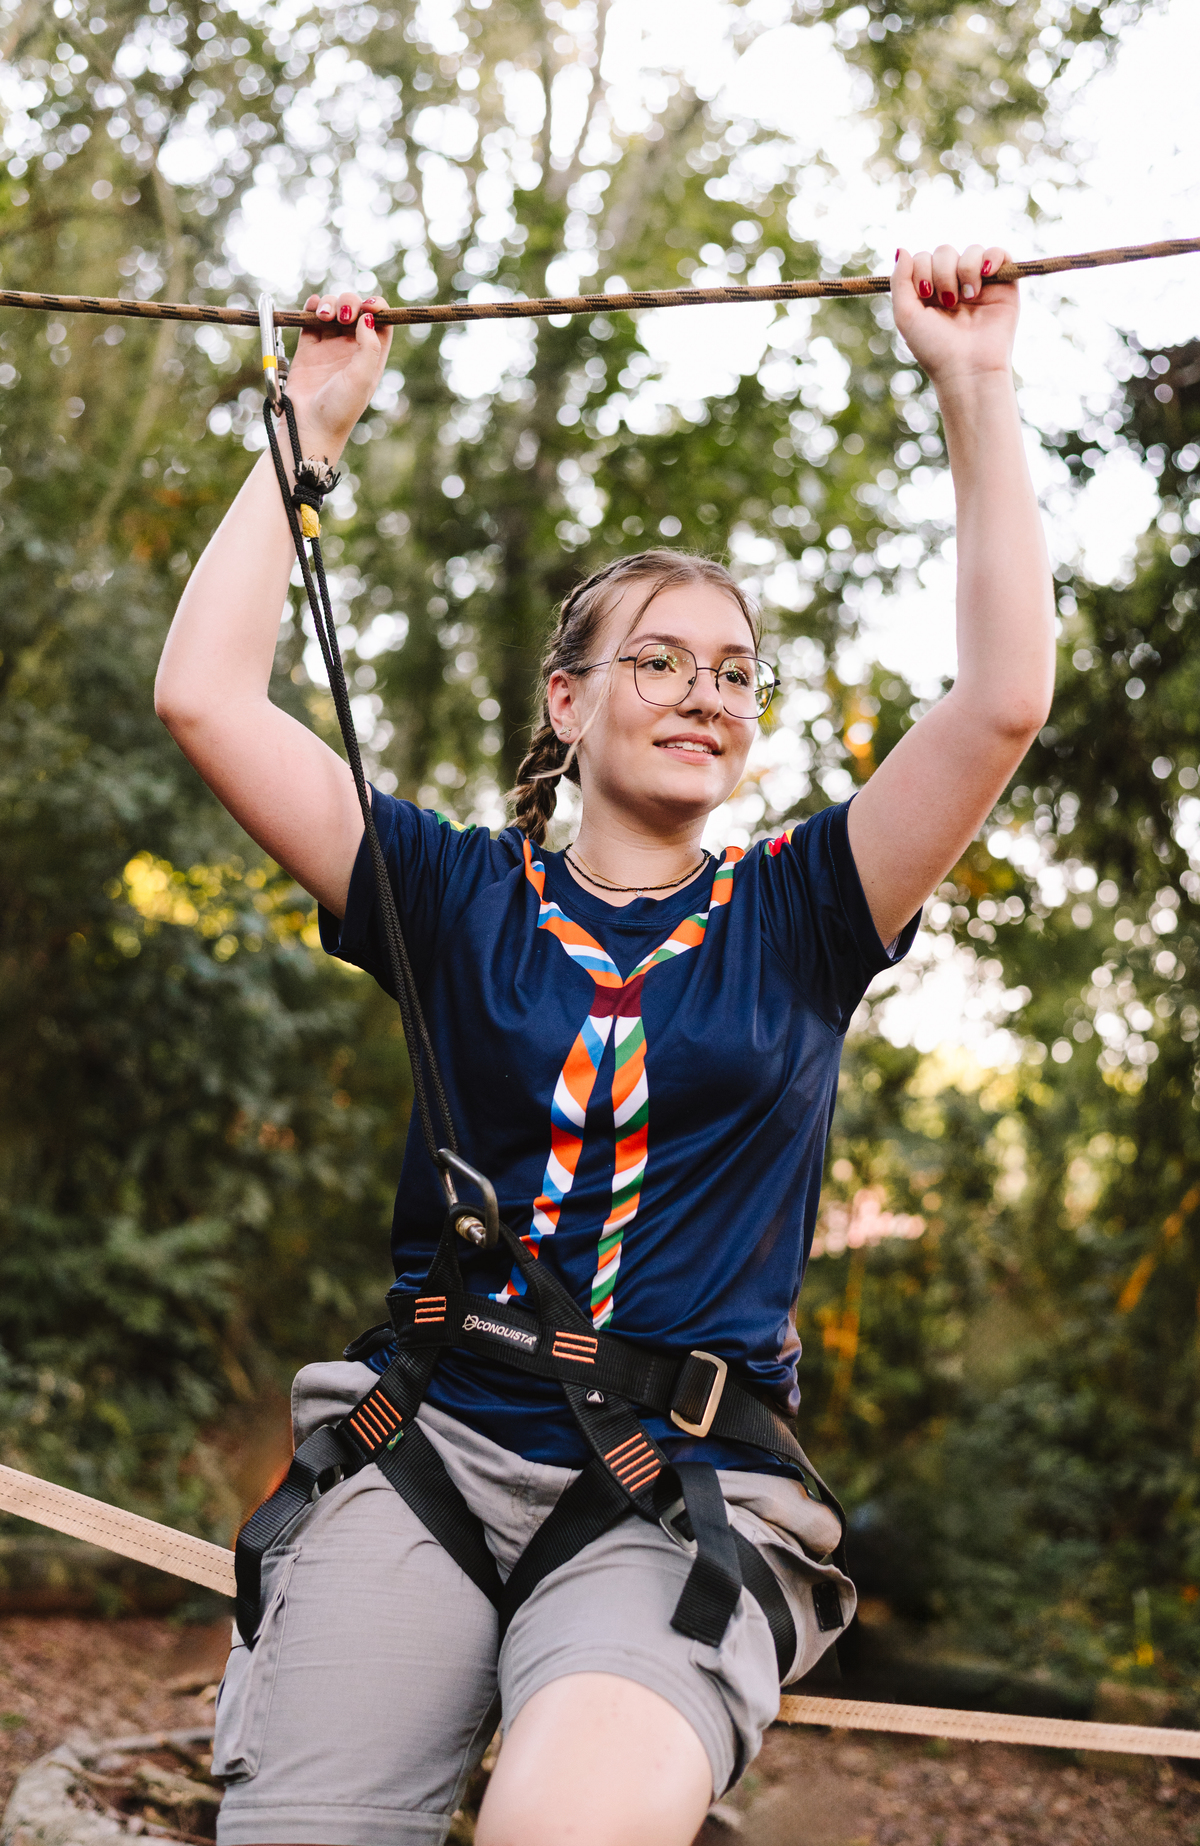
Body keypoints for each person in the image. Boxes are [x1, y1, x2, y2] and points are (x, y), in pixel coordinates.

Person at [154, 240, 1054, 1846]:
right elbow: (208, 697)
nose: (704, 691)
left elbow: (998, 701)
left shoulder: (805, 911)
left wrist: (972, 388)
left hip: (673, 1486)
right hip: (423, 1442)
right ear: (565, 703)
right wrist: (310, 420)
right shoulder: (448, 890)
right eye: (657, 658)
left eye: (733, 672)